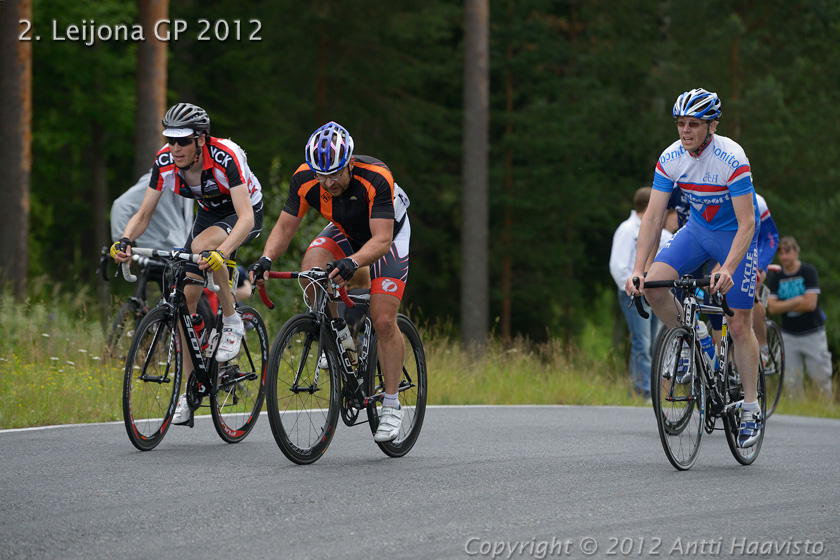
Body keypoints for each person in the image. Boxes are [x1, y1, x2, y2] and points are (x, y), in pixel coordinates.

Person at [249, 121, 411, 443]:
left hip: (387, 235)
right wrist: (266, 258)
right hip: (346, 231)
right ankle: (336, 332)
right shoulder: (305, 179)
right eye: (322, 175)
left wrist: (352, 262)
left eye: (335, 173)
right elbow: (284, 228)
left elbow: (380, 240)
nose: (328, 182)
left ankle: (392, 405)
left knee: (382, 319)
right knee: (312, 271)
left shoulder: (376, 177)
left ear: (350, 162)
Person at [625, 87, 763, 448]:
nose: (685, 131)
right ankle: (695, 336)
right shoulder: (670, 157)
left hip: (734, 236)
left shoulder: (732, 158)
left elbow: (748, 223)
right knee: (654, 287)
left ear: (712, 125)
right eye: (680, 123)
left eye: (694, 124)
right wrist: (639, 269)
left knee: (737, 323)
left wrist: (729, 266)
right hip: (697, 231)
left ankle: (750, 406)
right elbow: (654, 217)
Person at [110, 102, 264, 425]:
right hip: (209, 213)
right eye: (170, 139)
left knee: (203, 247)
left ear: (201, 140)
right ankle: (191, 389)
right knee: (182, 302)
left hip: (243, 211)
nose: (175, 147)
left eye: (183, 141)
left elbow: (247, 217)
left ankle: (233, 320)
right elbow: (143, 214)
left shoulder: (225, 156)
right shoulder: (164, 161)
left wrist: (223, 251)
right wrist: (125, 240)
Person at [609, 187, 673, 399]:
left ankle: (653, 390)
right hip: (634, 294)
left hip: (655, 293)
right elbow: (618, 265)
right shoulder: (627, 230)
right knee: (642, 343)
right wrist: (632, 290)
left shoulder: (663, 234)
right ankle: (641, 391)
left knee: (656, 343)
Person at [766, 236, 833, 397]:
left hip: (813, 333)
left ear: (796, 252)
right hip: (789, 334)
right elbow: (772, 308)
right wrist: (796, 300)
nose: (784, 256)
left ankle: (826, 410)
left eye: (788, 251)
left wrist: (785, 304)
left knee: (820, 377)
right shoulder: (776, 276)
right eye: (780, 252)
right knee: (791, 380)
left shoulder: (808, 272)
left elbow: (810, 304)